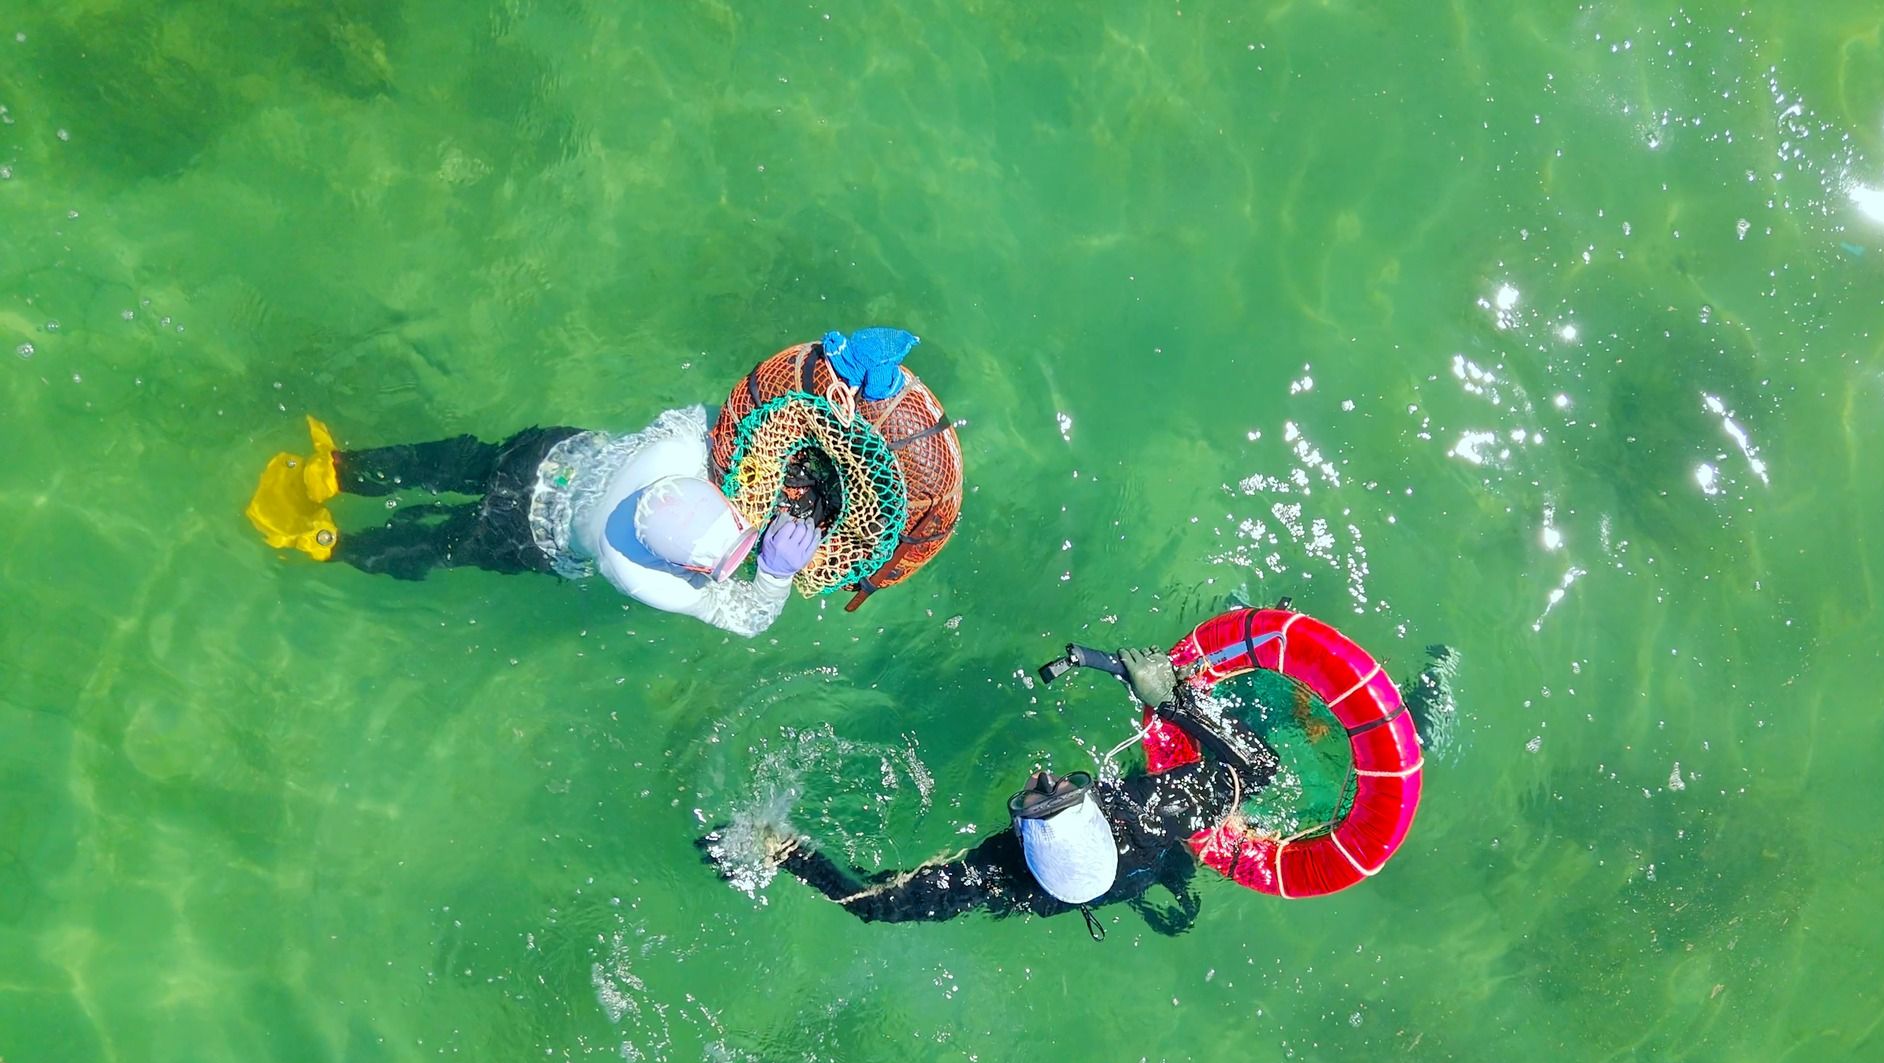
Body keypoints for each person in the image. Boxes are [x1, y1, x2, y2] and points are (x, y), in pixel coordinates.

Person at [703, 639, 1457, 937]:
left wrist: (784, 850)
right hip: (1147, 858)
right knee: (1290, 731)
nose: (1042, 776)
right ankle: (1422, 714)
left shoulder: (995, 878)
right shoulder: (1146, 811)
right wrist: (1173, 704)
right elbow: (1257, 768)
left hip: (1109, 878)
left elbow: (874, 903)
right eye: (1052, 792)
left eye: (1046, 793)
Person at [243, 328, 921, 637]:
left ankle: (335, 470)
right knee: (442, 544)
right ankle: (328, 543)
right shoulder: (640, 575)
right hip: (525, 535)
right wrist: (771, 574)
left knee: (454, 462)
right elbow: (745, 620)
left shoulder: (678, 446)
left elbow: (743, 413)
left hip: (545, 457)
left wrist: (839, 373)